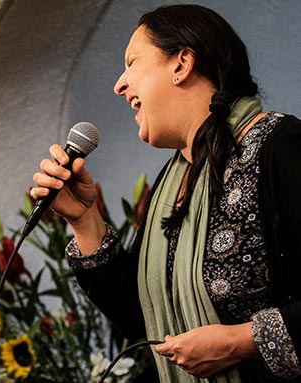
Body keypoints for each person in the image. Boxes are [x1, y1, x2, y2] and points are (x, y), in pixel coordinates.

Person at [31, 4, 301, 383]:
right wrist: (84, 220)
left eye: (132, 63)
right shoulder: (174, 181)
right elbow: (144, 320)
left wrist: (243, 341)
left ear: (181, 64)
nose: (119, 84)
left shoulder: (282, 147)